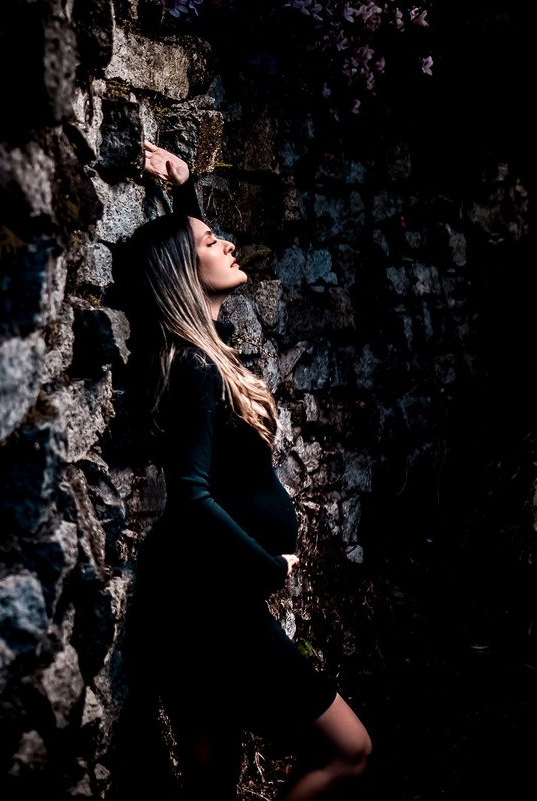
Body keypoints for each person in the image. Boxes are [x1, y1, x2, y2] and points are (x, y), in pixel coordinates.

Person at [113, 141, 372, 800]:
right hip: (215, 611)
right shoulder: (197, 373)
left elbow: (186, 257)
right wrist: (266, 566)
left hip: (197, 608)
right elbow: (190, 497)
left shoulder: (202, 355)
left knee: (211, 784)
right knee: (350, 748)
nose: (226, 242)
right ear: (183, 271)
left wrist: (185, 188)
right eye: (211, 240)